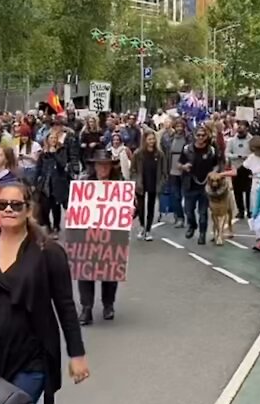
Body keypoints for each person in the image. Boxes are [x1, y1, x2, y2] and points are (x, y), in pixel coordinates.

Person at [0, 181, 88, 404]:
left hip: (30, 358)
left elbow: (65, 305)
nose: (8, 210)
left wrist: (77, 354)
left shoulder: (48, 252)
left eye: (16, 205)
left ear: (29, 210)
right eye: (2, 205)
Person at [78, 149, 124, 324]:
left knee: (110, 272)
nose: (103, 168)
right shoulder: (84, 183)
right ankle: (86, 308)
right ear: (94, 166)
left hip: (111, 233)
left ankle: (108, 305)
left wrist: (130, 210)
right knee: (85, 271)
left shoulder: (120, 183)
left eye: (106, 165)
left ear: (111, 167)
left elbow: (131, 209)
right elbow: (74, 204)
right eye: (100, 165)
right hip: (87, 234)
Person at [179, 125, 223, 246]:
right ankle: (192, 225)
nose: (200, 137)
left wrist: (214, 172)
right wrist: (184, 167)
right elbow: (179, 163)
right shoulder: (187, 149)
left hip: (205, 185)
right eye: (198, 135)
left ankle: (202, 234)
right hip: (189, 183)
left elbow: (217, 165)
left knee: (203, 212)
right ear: (194, 136)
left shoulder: (211, 150)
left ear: (206, 136)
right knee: (188, 210)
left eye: (203, 135)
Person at [35, 128, 72, 234]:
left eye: (55, 138)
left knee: (56, 207)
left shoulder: (62, 150)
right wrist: (35, 182)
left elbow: (62, 164)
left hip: (57, 182)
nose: (53, 140)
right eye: (51, 138)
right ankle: (47, 225)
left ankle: (56, 226)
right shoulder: (43, 153)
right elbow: (39, 167)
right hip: (45, 182)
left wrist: (54, 154)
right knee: (45, 207)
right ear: (47, 139)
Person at [131, 131, 165, 241]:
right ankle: (141, 226)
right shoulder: (138, 153)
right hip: (141, 183)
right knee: (140, 207)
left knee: (151, 207)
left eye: (153, 139)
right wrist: (135, 181)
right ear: (145, 140)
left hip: (154, 182)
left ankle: (148, 230)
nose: (152, 142)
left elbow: (164, 170)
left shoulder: (159, 154)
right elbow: (133, 169)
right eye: (149, 139)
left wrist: (162, 181)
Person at [227, 122, 253, 219]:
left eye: (242, 126)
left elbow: (255, 152)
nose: (239, 128)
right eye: (238, 127)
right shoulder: (231, 141)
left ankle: (250, 210)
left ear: (247, 128)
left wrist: (248, 157)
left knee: (249, 190)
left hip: (248, 168)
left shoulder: (252, 140)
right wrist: (236, 156)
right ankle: (240, 210)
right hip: (236, 168)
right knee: (237, 190)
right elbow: (227, 153)